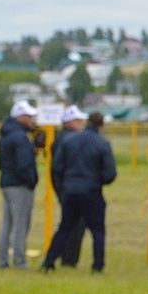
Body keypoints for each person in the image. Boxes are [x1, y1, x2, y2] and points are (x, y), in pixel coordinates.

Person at [40, 112, 117, 274]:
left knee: (65, 227)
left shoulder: (69, 141)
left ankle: (48, 262)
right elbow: (110, 173)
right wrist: (98, 180)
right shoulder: (102, 143)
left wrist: (66, 183)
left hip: (70, 191)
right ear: (101, 125)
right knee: (97, 230)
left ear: (87, 122)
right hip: (92, 191)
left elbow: (57, 167)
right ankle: (97, 266)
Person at [0, 99, 39, 269]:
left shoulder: (6, 135)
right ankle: (19, 260)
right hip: (20, 185)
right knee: (21, 224)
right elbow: (24, 164)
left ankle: (2, 260)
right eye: (28, 116)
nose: (31, 120)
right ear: (20, 117)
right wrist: (31, 181)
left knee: (7, 223)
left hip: (7, 182)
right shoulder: (20, 137)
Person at [48, 105, 88, 267]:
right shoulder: (68, 140)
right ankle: (68, 258)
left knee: (70, 222)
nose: (81, 123)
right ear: (70, 121)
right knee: (75, 224)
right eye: (78, 120)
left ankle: (63, 256)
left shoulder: (61, 138)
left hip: (65, 187)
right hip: (70, 188)